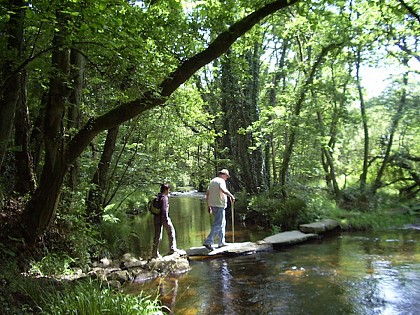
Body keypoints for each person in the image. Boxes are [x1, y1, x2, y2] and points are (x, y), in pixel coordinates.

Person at [203, 169, 235, 251]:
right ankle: (208, 241)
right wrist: (231, 196)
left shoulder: (212, 181)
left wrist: (208, 206)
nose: (227, 178)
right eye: (227, 176)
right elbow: (223, 190)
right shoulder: (221, 181)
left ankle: (221, 242)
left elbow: (207, 194)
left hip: (213, 205)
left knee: (222, 223)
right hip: (219, 205)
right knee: (218, 224)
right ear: (223, 174)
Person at [151, 183, 177, 258]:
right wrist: (166, 220)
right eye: (169, 190)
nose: (169, 191)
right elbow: (164, 210)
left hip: (156, 218)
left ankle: (154, 253)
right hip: (163, 218)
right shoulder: (164, 198)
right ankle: (172, 249)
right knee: (171, 232)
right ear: (166, 190)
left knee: (157, 235)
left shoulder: (157, 197)